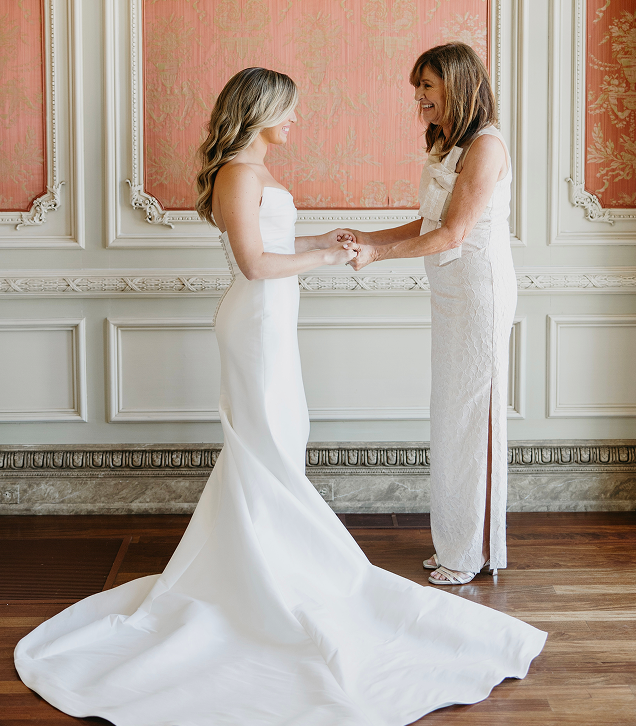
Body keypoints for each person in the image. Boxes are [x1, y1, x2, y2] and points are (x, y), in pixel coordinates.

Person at [15, 67, 545, 724]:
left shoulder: (255, 170)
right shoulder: (239, 174)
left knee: (279, 443)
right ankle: (272, 572)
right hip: (256, 323)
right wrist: (328, 258)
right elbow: (255, 263)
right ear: (261, 111)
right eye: (288, 109)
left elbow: (273, 244)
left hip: (273, 320)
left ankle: (270, 561)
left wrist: (325, 241)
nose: (295, 119)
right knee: (266, 443)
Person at [347, 43, 516, 586]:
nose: (418, 97)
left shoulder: (485, 146)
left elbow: (453, 233)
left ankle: (468, 552)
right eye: (416, 86)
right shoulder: (450, 144)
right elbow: (428, 224)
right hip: (451, 294)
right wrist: (367, 237)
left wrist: (376, 256)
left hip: (479, 294)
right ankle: (459, 542)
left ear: (457, 85)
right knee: (451, 416)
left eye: (426, 85)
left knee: (472, 419)